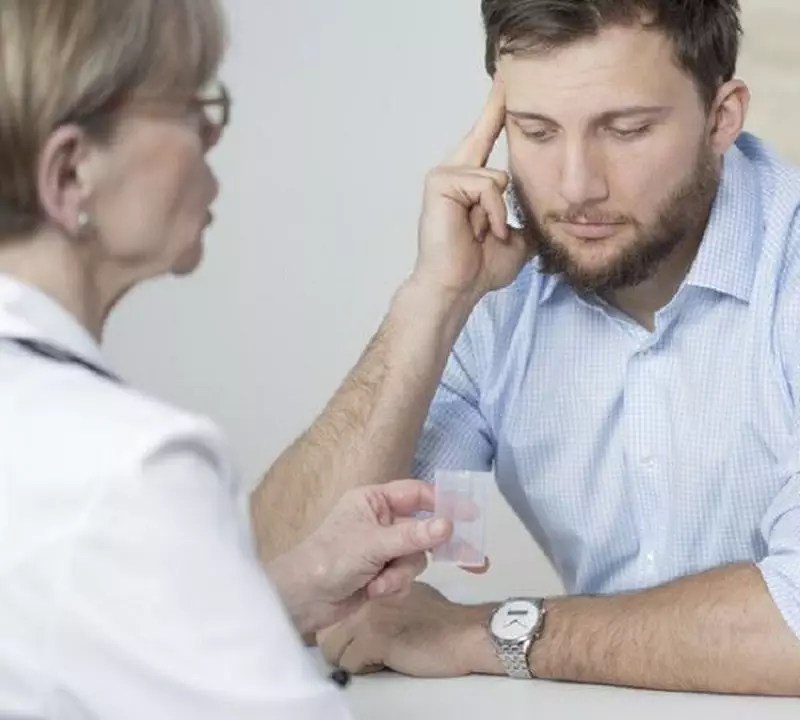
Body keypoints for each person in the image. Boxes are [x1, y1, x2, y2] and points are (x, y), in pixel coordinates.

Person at [251, 0, 800, 700]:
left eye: (625, 130)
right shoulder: (493, 289)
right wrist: (431, 301)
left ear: (722, 118)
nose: (575, 187)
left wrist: (482, 634)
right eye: (535, 131)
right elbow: (287, 575)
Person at [0, 2, 462, 717]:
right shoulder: (128, 471)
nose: (215, 134)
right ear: (70, 173)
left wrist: (289, 585)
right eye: (191, 106)